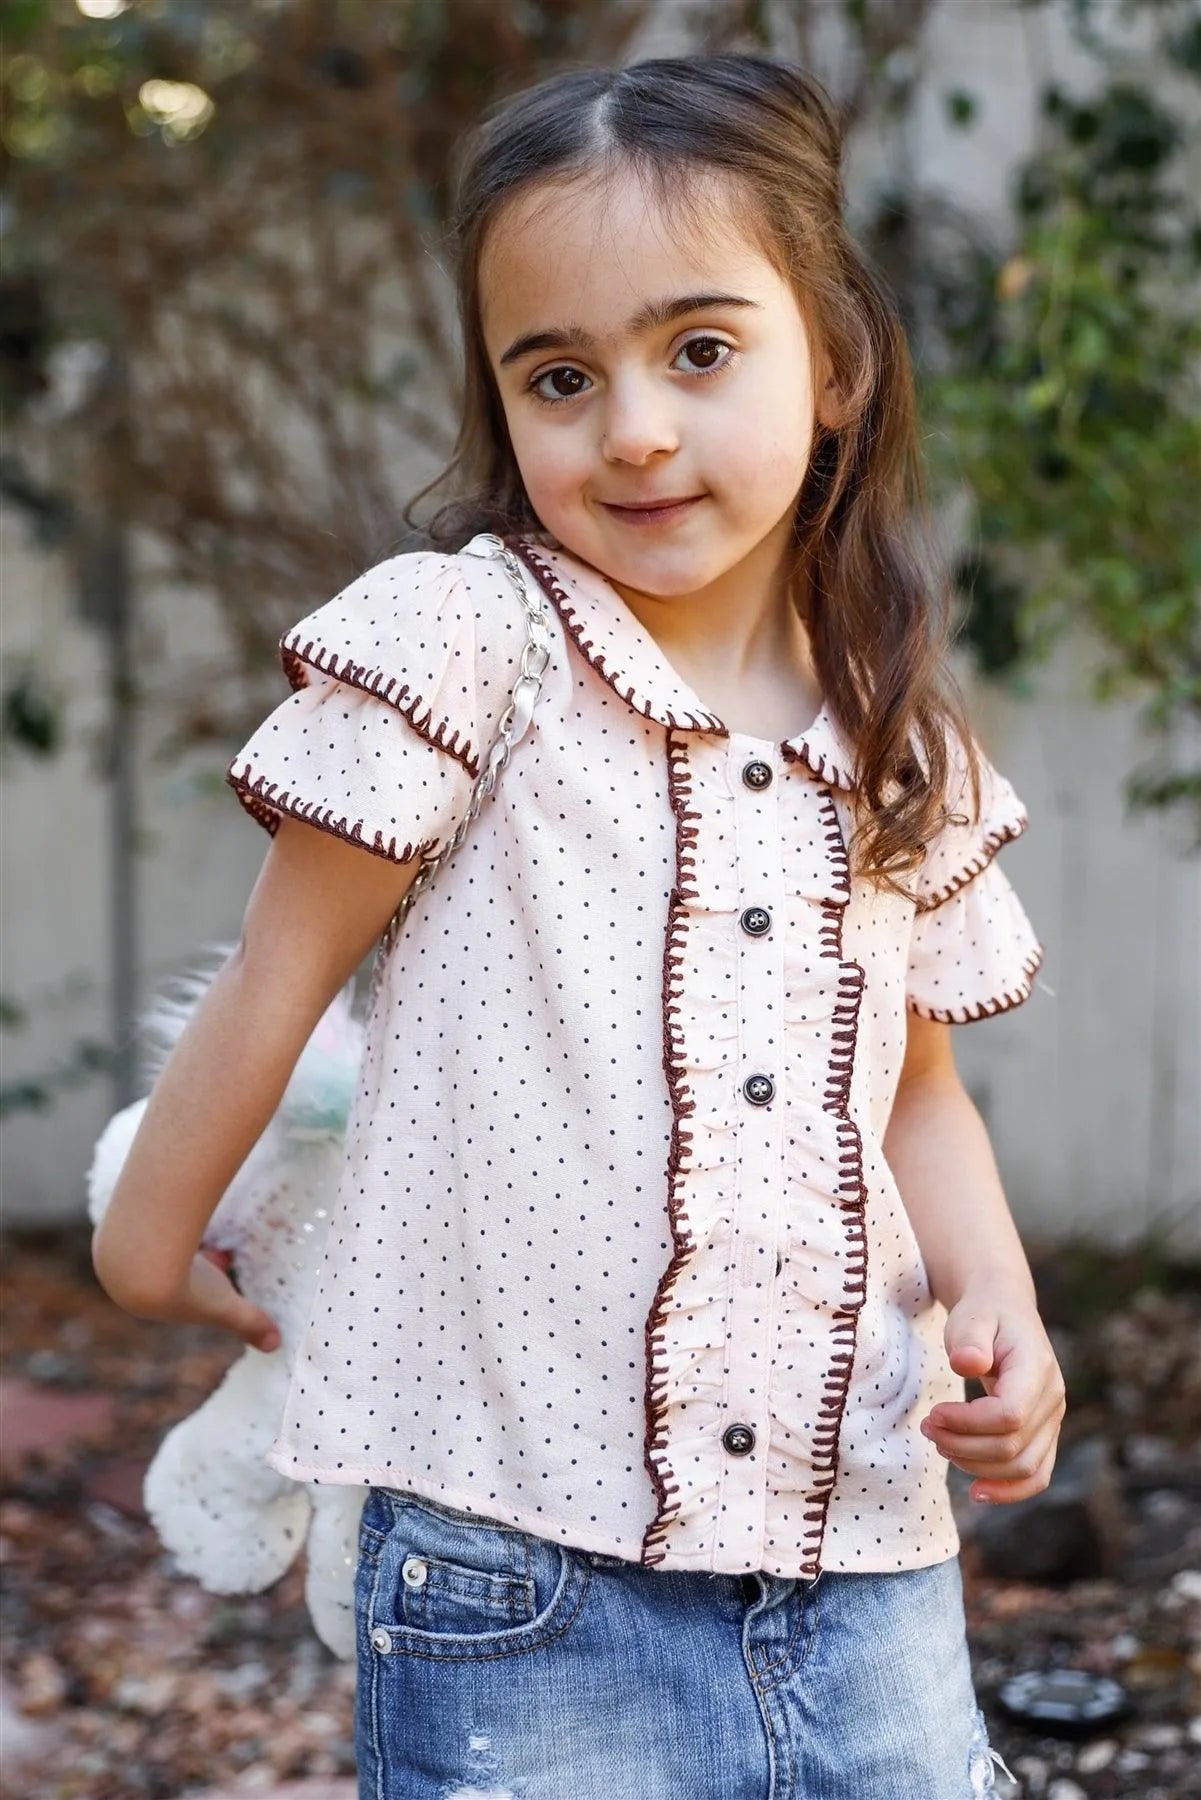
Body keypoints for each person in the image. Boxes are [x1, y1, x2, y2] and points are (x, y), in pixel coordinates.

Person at [93, 51, 1065, 1800]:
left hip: (858, 1553)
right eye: (560, 376)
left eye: (698, 351)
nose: (632, 428)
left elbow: (912, 1087)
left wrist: (998, 1295)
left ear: (832, 362)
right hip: (514, 1559)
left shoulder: (895, 739)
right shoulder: (473, 650)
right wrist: (144, 1244)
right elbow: (279, 969)